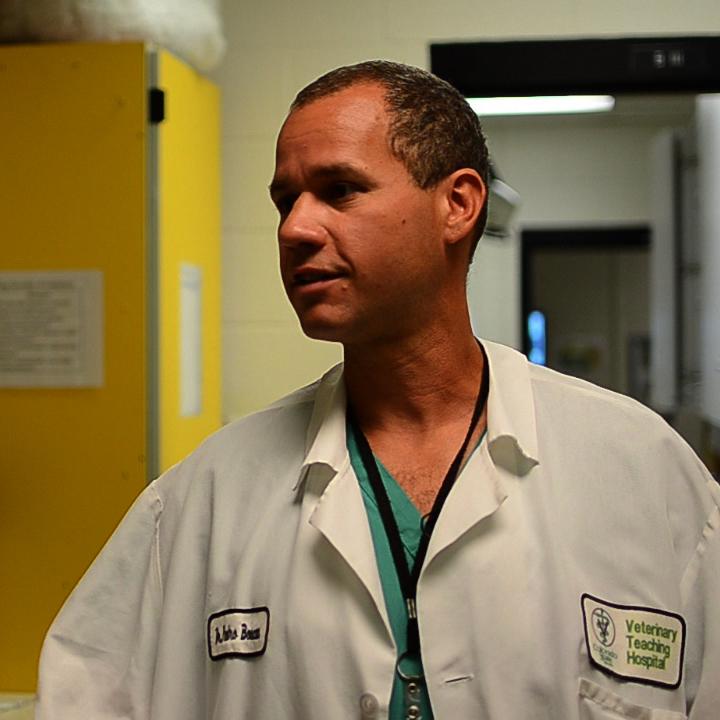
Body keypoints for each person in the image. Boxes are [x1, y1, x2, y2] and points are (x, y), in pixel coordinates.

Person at [37, 61, 719, 720]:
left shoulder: (644, 476)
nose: (296, 229)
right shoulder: (201, 501)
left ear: (457, 205)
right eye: (285, 200)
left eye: (340, 190)